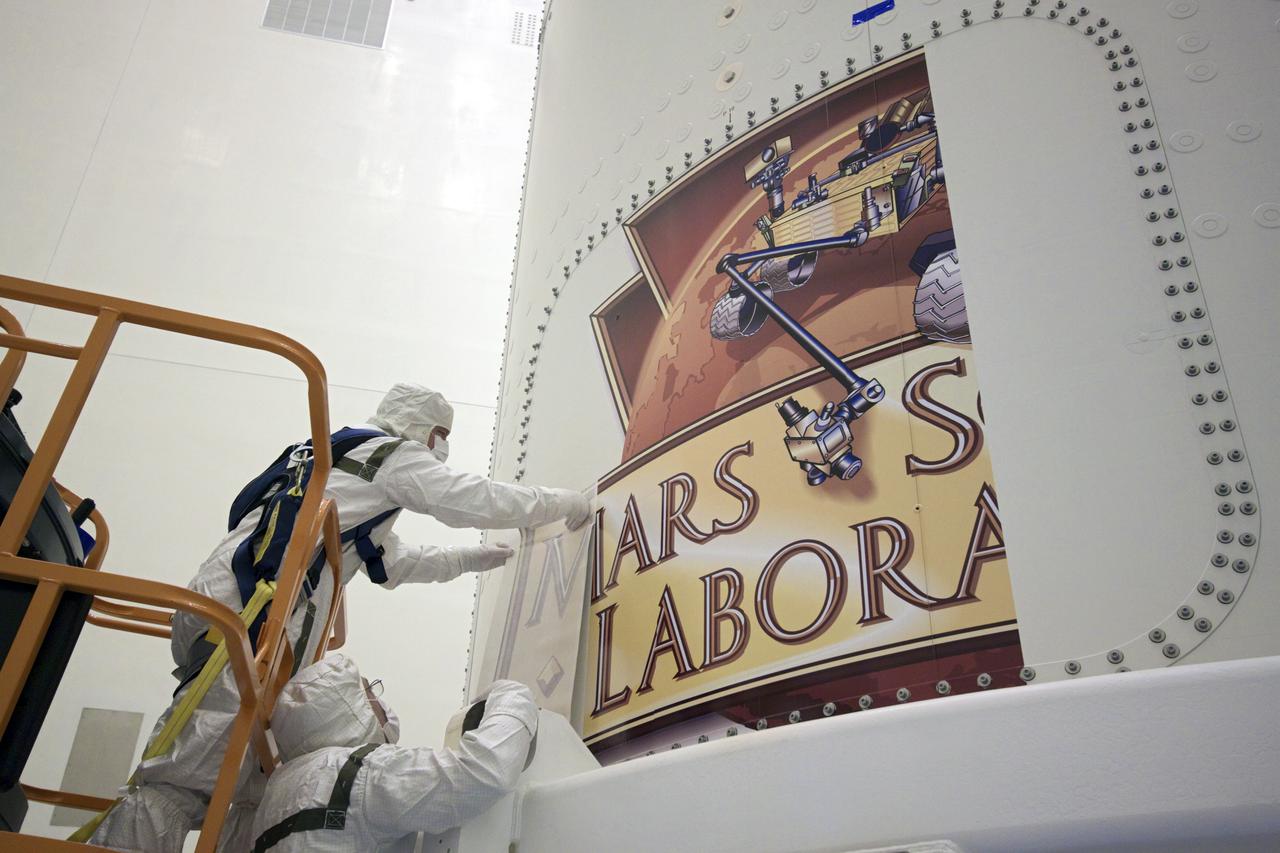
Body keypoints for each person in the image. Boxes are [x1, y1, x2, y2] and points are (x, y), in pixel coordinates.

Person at [90, 383, 587, 852]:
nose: (441, 449)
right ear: (418, 424)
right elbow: (473, 499)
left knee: (235, 780)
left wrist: (470, 560)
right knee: (179, 780)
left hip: (234, 606)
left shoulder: (338, 462)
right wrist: (563, 503)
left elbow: (390, 562)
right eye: (440, 435)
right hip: (254, 615)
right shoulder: (391, 455)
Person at [250, 655, 537, 852]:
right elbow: (481, 773)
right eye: (369, 691)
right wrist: (511, 695)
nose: (379, 701)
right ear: (348, 709)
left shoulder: (273, 798)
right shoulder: (358, 773)